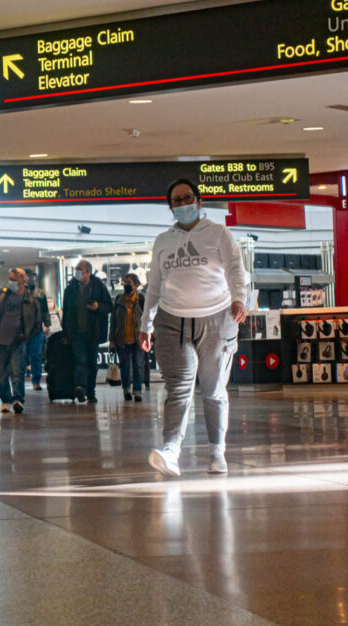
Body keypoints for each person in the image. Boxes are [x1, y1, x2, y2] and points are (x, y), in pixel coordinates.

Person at [143, 179, 246, 478]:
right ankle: (171, 451)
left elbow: (234, 269)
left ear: (199, 202)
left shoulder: (218, 233)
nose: (183, 203)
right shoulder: (163, 240)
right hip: (171, 320)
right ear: (171, 207)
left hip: (217, 317)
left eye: (188, 198)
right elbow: (154, 286)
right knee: (178, 389)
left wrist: (239, 298)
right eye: (177, 200)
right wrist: (145, 324)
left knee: (213, 390)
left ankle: (217, 451)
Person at [0, 268, 41, 414]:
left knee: (18, 372)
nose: (10, 282)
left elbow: (37, 322)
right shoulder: (1, 294)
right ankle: (5, 399)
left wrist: (26, 336)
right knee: (1, 374)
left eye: (14, 280)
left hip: (18, 341)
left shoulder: (29, 299)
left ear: (22, 281)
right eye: (9, 279)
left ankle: (18, 400)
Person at [62, 259, 112, 404]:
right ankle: (80, 387)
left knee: (92, 363)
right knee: (80, 360)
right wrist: (65, 333)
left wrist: (98, 307)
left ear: (88, 272)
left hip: (93, 332)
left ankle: (91, 391)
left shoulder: (98, 287)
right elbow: (67, 313)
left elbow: (109, 306)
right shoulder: (70, 289)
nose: (77, 272)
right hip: (76, 332)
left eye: (80, 270)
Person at [109, 272, 147, 402]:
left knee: (138, 365)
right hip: (121, 338)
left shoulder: (141, 300)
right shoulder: (119, 300)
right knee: (124, 366)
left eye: (129, 283)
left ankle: (137, 391)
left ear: (136, 285)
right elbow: (113, 320)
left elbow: (148, 319)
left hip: (137, 338)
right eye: (125, 283)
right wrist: (111, 339)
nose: (126, 285)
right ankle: (126, 390)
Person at [24, 270, 52, 391]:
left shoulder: (40, 294)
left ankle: (36, 381)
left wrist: (47, 324)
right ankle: (19, 381)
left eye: (33, 277)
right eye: (29, 277)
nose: (31, 279)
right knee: (21, 356)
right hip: (21, 330)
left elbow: (45, 310)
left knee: (36, 356)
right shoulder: (18, 293)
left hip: (36, 329)